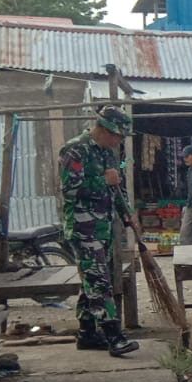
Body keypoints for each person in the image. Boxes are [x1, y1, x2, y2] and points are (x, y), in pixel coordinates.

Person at [59, 105, 139, 357]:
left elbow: (117, 187)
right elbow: (69, 190)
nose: (119, 141)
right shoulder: (75, 149)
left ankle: (87, 334)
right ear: (104, 129)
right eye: (117, 135)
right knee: (100, 282)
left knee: (91, 280)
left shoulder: (107, 153)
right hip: (83, 228)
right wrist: (103, 181)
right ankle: (114, 335)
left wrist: (127, 213)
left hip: (103, 227)